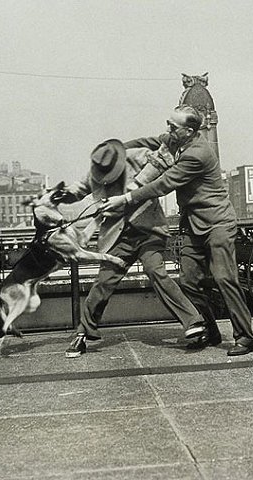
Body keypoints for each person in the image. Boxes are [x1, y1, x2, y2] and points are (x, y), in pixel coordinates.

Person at [102, 105, 253, 356]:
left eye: (173, 126)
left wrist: (126, 199)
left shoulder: (197, 154)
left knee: (224, 279)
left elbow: (163, 184)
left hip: (217, 223)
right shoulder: (176, 139)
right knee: (188, 282)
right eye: (168, 124)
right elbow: (147, 141)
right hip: (192, 224)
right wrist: (117, 149)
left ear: (189, 130)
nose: (168, 130)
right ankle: (210, 331)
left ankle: (245, 337)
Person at [58, 138, 208, 357]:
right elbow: (78, 189)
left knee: (155, 270)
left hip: (148, 231)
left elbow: (162, 161)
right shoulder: (96, 173)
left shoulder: (138, 156)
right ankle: (83, 333)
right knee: (103, 282)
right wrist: (55, 196)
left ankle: (194, 323)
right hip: (118, 238)